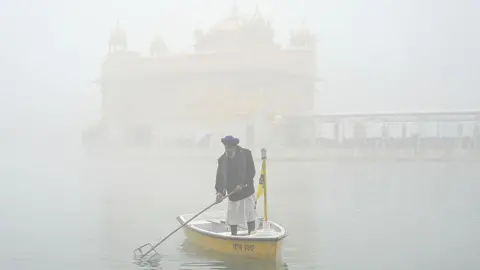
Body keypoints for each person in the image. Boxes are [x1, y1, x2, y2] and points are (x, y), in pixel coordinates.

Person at [215, 135, 257, 235]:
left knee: (249, 214)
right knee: (232, 217)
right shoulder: (222, 160)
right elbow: (220, 178)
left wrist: (242, 184)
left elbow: (251, 172)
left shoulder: (246, 154)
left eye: (228, 148)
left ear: (234, 147)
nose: (227, 150)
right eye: (225, 148)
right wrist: (220, 192)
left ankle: (252, 233)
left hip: (246, 191)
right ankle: (234, 235)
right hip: (232, 193)